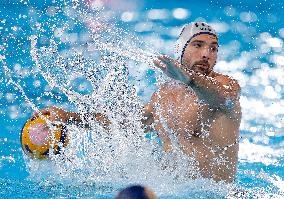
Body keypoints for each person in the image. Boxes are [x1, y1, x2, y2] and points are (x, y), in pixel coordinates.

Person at [30, 22, 241, 182]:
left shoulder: (226, 86)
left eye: (213, 48)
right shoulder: (164, 95)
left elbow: (221, 98)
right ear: (181, 49)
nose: (206, 54)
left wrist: (189, 79)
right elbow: (125, 125)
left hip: (215, 193)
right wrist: (69, 117)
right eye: (198, 45)